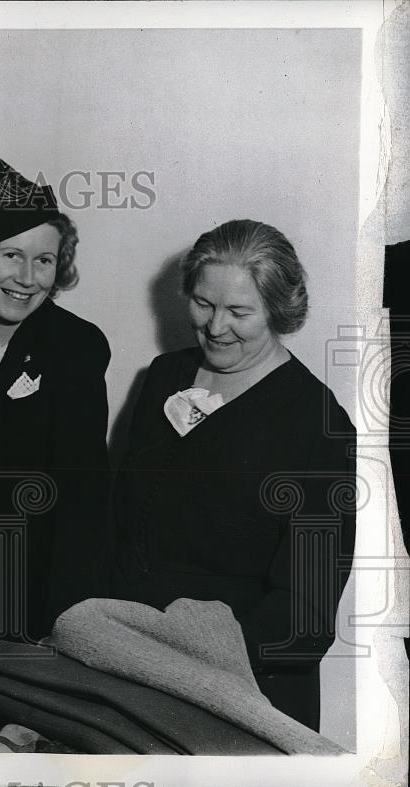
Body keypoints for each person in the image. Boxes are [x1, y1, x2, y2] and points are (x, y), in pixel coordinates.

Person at [107, 219, 356, 730]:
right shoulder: (163, 377)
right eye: (203, 303)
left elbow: (304, 616)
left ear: (278, 311)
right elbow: (120, 526)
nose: (216, 327)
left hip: (243, 684)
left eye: (239, 311)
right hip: (129, 656)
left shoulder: (319, 424)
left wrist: (185, 660)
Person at [0, 149, 112, 640]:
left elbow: (81, 503)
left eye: (44, 260)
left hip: (18, 599)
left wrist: (61, 630)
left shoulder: (75, 346)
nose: (28, 278)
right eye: (12, 254)